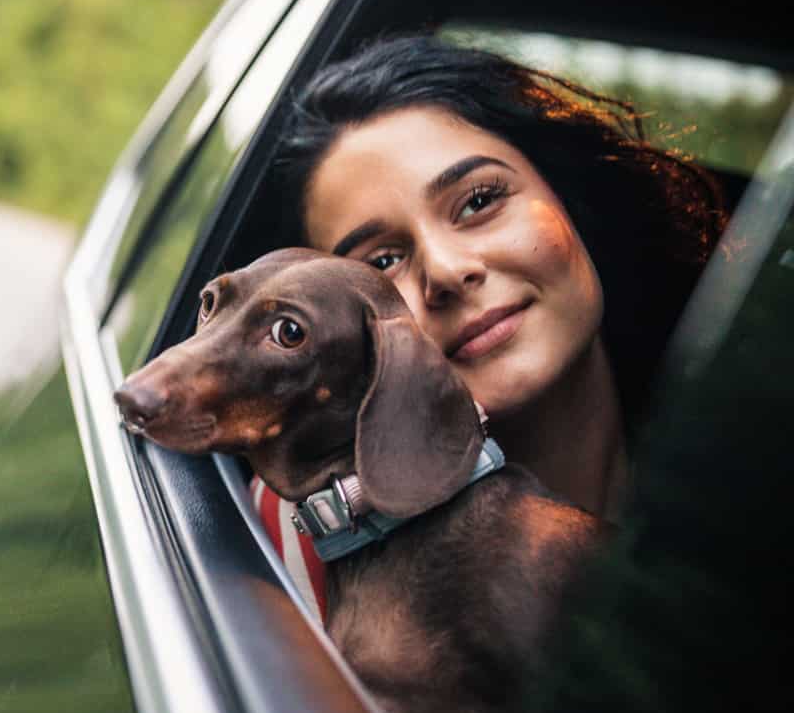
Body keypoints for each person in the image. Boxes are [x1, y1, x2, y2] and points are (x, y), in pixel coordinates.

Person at [262, 33, 727, 520]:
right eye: (380, 263)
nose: (444, 270)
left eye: (479, 201)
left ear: (565, 196)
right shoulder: (298, 549)